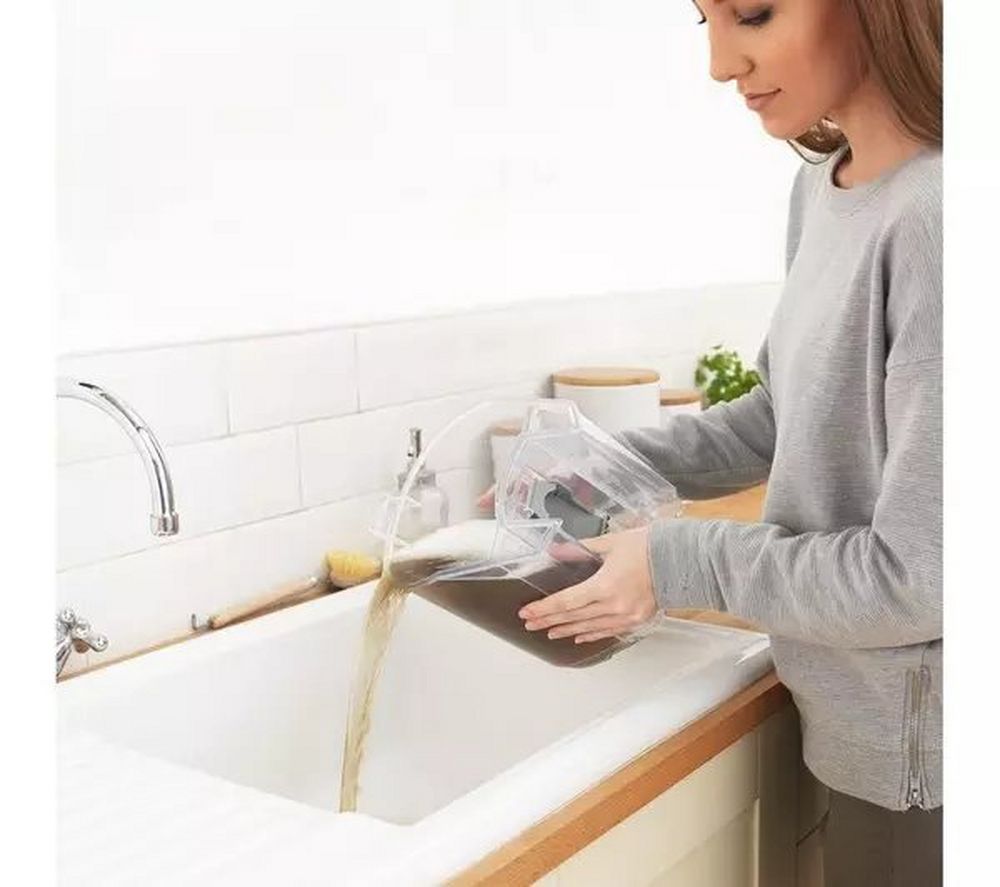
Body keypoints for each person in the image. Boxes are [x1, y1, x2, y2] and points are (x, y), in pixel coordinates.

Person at [516, 2, 942, 884]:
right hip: (859, 726)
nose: (720, 62)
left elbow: (920, 579)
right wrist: (604, 465)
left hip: (933, 774)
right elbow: (785, 417)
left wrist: (675, 559)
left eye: (753, 12)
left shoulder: (940, 221)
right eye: (704, 17)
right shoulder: (823, 190)